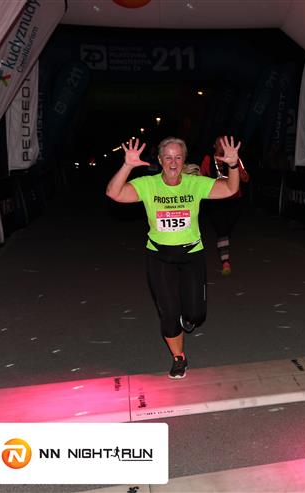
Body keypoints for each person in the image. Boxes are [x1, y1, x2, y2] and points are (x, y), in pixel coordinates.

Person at [105, 135, 241, 379]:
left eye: (178, 157)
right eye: (168, 157)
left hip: (191, 255)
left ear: (184, 160)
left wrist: (232, 165)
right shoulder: (148, 184)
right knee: (169, 313)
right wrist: (127, 166)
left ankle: (187, 316)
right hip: (160, 256)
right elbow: (114, 193)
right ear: (159, 160)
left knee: (196, 315)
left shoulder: (195, 183)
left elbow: (231, 189)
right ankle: (179, 357)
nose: (173, 162)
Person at [200, 136, 250, 275]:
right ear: (214, 145)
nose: (222, 146)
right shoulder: (208, 159)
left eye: (224, 143)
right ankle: (226, 262)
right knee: (222, 230)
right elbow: (201, 176)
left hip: (234, 200)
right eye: (219, 143)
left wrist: (239, 172)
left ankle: (223, 245)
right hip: (216, 200)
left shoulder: (234, 158)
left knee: (227, 229)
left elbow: (246, 178)